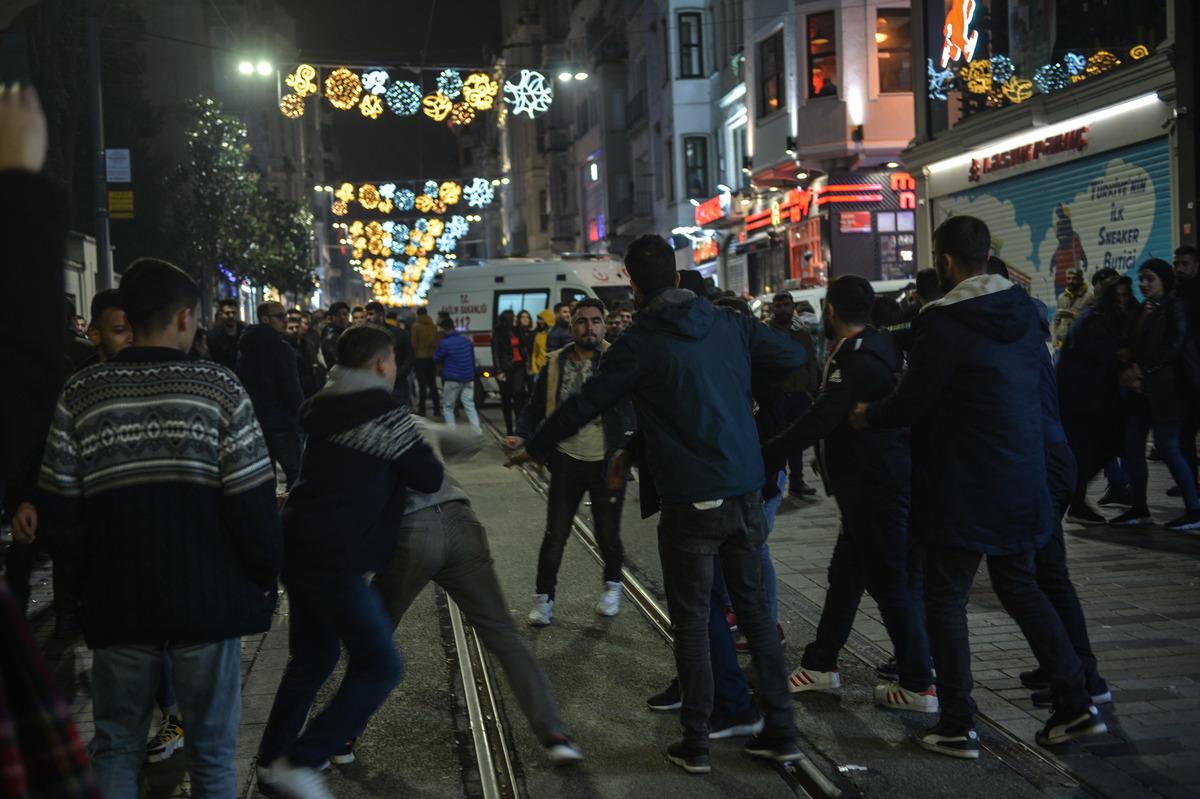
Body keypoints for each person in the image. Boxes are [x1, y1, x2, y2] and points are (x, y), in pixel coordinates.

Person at [508, 234, 805, 774]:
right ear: (677, 274)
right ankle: (781, 733)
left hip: (691, 499)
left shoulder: (638, 343)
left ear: (631, 279)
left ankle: (697, 744)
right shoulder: (727, 324)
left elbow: (587, 403)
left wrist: (536, 442)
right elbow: (792, 353)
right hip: (742, 488)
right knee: (756, 617)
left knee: (692, 621)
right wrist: (743, 386)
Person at [850, 216, 1105, 758]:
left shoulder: (943, 322)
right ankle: (1076, 701)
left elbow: (914, 402)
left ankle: (958, 724)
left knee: (945, 598)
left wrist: (870, 414)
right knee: (1021, 586)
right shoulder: (1023, 311)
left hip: (964, 479)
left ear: (945, 263)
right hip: (1022, 472)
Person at [39, 258, 282, 796]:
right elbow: (252, 500)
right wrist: (263, 572)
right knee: (213, 756)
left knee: (117, 747)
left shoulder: (83, 393)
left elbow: (60, 504)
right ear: (182, 317)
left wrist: (83, 586)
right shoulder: (218, 388)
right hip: (206, 602)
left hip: (117, 602)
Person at [256, 325, 442, 798]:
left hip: (298, 544)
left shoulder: (324, 403)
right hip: (336, 558)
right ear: (383, 364)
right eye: (393, 363)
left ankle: (270, 760)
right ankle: (300, 760)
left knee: (313, 659)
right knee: (381, 665)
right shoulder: (383, 409)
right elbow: (428, 475)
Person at [372, 420, 584, 765]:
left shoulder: (342, 426)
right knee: (503, 633)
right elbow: (472, 438)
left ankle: (340, 736)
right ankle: (555, 734)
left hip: (410, 532)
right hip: (460, 521)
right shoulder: (409, 422)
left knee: (375, 633)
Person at [767, 277, 935, 713]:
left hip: (875, 488)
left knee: (889, 584)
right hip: (865, 489)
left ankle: (919, 683)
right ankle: (821, 663)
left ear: (830, 311)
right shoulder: (875, 345)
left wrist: (764, 454)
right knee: (845, 577)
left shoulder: (858, 360)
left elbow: (820, 418)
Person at [507, 299, 635, 626]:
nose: (589, 327)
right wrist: (522, 434)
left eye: (596, 321)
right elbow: (535, 409)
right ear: (571, 327)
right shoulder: (554, 364)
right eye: (582, 321)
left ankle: (612, 584)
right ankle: (544, 598)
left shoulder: (619, 361)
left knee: (607, 533)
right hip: (565, 461)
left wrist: (629, 448)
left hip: (608, 462)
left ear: (605, 326)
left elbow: (635, 410)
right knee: (556, 533)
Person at [1112, 259, 1200, 529]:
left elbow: (1175, 346)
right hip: (1142, 390)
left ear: (1163, 280)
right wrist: (1128, 364)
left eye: (1150, 278)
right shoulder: (1144, 310)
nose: (1143, 284)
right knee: (1133, 445)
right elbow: (1134, 345)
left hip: (1167, 390)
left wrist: (1143, 371)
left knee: (1168, 446)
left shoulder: (1175, 307)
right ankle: (1139, 508)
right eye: (1141, 278)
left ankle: (1194, 510)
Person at [1058, 277, 1135, 524]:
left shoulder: (1103, 318)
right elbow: (1095, 356)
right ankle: (1075, 502)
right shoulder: (1093, 320)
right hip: (1083, 400)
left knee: (1103, 450)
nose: (1123, 301)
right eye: (1118, 296)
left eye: (1126, 296)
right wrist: (1118, 355)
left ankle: (1076, 501)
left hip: (1095, 399)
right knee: (1091, 452)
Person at [238, 301, 306, 490]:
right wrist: (301, 413)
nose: (285, 321)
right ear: (265, 318)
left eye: (286, 316)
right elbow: (291, 388)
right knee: (296, 473)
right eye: (280, 317)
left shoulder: (245, 346)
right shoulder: (281, 348)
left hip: (257, 420)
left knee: (265, 477)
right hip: (282, 421)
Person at [767, 292, 820, 500]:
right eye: (779, 305)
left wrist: (811, 387)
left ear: (793, 307)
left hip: (799, 394)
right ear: (773, 308)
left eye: (787, 304)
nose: (783, 309)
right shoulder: (766, 333)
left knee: (796, 440)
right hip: (777, 395)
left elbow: (811, 361)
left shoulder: (801, 332)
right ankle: (776, 482)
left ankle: (797, 482)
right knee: (778, 439)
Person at [1173, 245, 1199, 497]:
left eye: (1185, 264)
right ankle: (1189, 481)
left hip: (1195, 374)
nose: (1179, 268)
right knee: (1184, 434)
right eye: (1177, 264)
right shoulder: (1176, 293)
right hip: (1186, 377)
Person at [434, 316, 480, 432]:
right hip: (468, 378)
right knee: (469, 405)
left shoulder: (445, 343)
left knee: (448, 407)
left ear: (443, 329)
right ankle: (477, 431)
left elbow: (436, 358)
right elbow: (472, 358)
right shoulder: (466, 340)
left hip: (453, 378)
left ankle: (452, 433)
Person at [366, 300, 415, 405]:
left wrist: (399, 374)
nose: (368, 318)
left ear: (381, 315)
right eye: (367, 315)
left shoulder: (398, 333)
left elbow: (409, 356)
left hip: (398, 384)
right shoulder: (366, 335)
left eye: (371, 314)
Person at [492, 309, 529, 435]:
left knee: (519, 395)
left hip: (519, 367)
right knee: (506, 399)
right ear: (507, 319)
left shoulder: (517, 330)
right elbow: (496, 353)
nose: (515, 320)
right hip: (506, 369)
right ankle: (509, 429)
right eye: (513, 318)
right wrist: (499, 370)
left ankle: (519, 428)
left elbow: (523, 347)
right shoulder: (498, 333)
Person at [409, 306, 442, 416]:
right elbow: (437, 341)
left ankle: (422, 409)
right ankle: (437, 409)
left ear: (418, 315)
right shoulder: (433, 326)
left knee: (422, 385)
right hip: (432, 358)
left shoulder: (415, 326)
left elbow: (413, 343)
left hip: (420, 358)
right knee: (432, 385)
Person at [1052, 266, 1089, 349]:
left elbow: (1090, 323)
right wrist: (1055, 342)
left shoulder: (1089, 298)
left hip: (1079, 347)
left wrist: (1072, 314)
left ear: (1081, 280)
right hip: (1061, 347)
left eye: (1074, 278)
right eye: (1068, 278)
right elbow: (1055, 321)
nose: (1070, 281)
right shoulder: (1062, 297)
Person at [208, 298, 242, 370]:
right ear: (221, 314)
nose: (231, 316)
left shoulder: (245, 332)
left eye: (234, 313)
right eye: (227, 313)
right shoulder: (213, 336)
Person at [320, 302, 351, 369]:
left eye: (345, 314)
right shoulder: (329, 338)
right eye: (337, 315)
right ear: (331, 317)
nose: (342, 317)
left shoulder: (349, 332)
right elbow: (335, 362)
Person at [530, 308, 556, 374]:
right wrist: (534, 369)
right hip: (540, 370)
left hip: (553, 370)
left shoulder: (557, 335)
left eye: (542, 319)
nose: (539, 321)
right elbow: (535, 353)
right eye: (539, 319)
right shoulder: (539, 335)